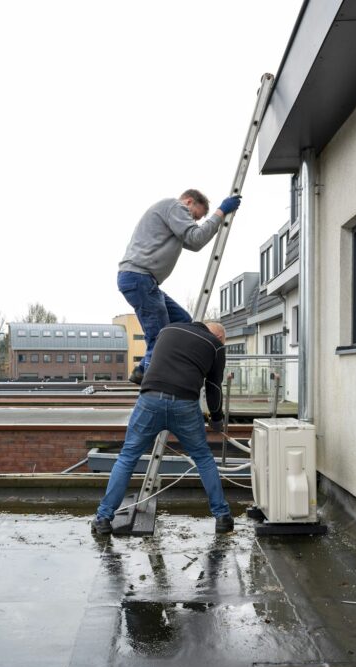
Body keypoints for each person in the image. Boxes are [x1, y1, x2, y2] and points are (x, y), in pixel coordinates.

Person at [93, 320, 232, 534]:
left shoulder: (168, 330)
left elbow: (152, 361)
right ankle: (222, 517)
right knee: (203, 458)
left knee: (128, 457)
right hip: (185, 403)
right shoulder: (216, 346)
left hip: (150, 398)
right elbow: (213, 387)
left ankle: (103, 519)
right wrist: (216, 418)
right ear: (220, 337)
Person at [118, 190, 241, 384]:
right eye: (194, 216)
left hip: (143, 280)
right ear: (189, 202)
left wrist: (216, 221)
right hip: (140, 277)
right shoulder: (176, 207)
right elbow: (196, 237)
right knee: (160, 337)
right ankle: (153, 386)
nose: (192, 221)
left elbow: (195, 241)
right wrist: (220, 212)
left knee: (185, 322)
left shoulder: (169, 218)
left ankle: (142, 370)